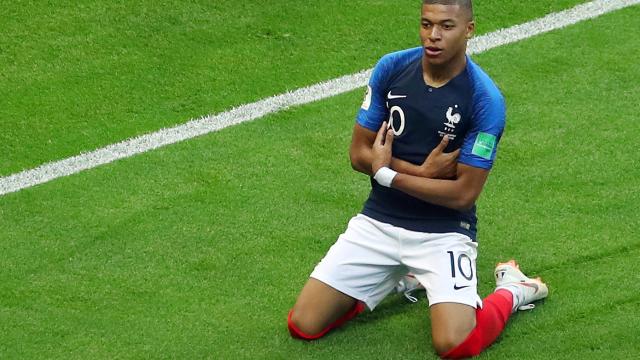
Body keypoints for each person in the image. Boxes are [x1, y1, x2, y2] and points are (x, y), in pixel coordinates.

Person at [287, 0, 548, 358]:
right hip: (377, 222)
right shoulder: (392, 68)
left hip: (443, 233)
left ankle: (513, 290)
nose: (433, 36)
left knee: (454, 345)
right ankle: (400, 279)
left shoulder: (485, 100)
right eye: (426, 25)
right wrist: (418, 173)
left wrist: (387, 173)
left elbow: (463, 194)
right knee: (303, 324)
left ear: (469, 29)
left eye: (446, 26)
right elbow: (359, 154)